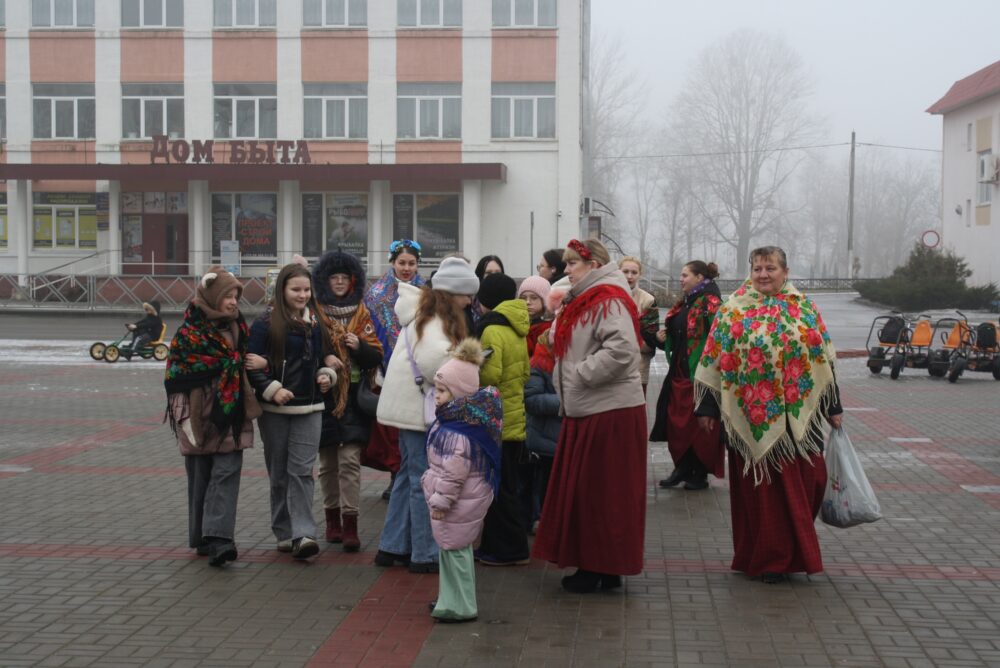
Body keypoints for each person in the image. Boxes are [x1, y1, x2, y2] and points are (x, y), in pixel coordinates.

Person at [694, 246, 843, 584]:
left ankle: (792, 553)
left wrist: (833, 406)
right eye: (757, 268)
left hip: (799, 420)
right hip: (750, 416)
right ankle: (766, 559)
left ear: (785, 271)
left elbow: (824, 360)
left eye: (770, 268)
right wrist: (707, 407)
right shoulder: (733, 310)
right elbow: (714, 359)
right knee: (760, 492)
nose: (763, 274)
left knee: (809, 482)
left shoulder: (804, 308)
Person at [532, 239, 647, 593]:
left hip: (608, 412)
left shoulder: (607, 299)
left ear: (594, 264)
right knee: (593, 494)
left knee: (603, 495)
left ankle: (600, 567)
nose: (566, 270)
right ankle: (601, 566)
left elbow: (622, 351)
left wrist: (579, 374)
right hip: (591, 409)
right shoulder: (583, 299)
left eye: (572, 264)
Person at [374, 256, 480, 574]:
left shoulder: (425, 315)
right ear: (451, 292)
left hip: (408, 409)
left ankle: (392, 546)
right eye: (465, 294)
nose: (469, 300)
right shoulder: (435, 322)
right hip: (421, 413)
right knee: (424, 482)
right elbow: (438, 367)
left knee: (409, 478)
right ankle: (424, 553)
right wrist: (470, 361)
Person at [164, 268, 260, 567]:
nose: (233, 302)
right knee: (200, 476)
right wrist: (184, 419)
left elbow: (244, 362)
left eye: (236, 296)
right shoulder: (188, 333)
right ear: (211, 296)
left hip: (230, 412)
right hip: (197, 414)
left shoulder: (240, 328)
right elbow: (175, 376)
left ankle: (220, 539)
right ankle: (203, 537)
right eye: (228, 296)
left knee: (227, 472)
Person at [247, 263, 337, 560]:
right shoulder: (264, 323)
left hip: (309, 407)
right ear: (282, 290)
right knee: (280, 474)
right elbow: (250, 365)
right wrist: (272, 387)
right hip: (275, 409)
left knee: (302, 472)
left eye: (306, 290)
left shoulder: (315, 322)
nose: (302, 295)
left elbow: (321, 360)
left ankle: (304, 534)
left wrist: (326, 376)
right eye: (295, 289)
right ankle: (284, 531)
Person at [422, 339, 503, 623]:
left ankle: (461, 605)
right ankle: (450, 600)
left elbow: (453, 474)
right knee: (454, 552)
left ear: (459, 393)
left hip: (456, 502)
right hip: (460, 501)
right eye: (437, 389)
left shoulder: (458, 431)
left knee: (455, 554)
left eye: (443, 391)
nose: (437, 396)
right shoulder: (457, 420)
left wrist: (441, 499)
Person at [313, 250, 384, 552]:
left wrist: (359, 347)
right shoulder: (314, 312)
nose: (340, 282)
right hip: (324, 396)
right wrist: (325, 357)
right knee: (328, 463)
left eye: (344, 278)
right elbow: (306, 351)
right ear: (325, 281)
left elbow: (376, 355)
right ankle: (332, 521)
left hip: (354, 399)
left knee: (350, 462)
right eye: (334, 278)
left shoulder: (363, 313)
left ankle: (351, 523)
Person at [650, 261, 725, 491]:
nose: (680, 279)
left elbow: (720, 340)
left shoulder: (711, 304)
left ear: (700, 277)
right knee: (678, 423)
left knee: (699, 427)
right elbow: (679, 335)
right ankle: (682, 467)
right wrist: (661, 339)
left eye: (685, 275)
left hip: (700, 374)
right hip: (680, 372)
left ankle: (698, 472)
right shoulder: (686, 301)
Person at [473, 272, 531, 566]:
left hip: (496, 420)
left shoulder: (492, 329)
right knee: (508, 485)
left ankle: (507, 549)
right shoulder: (517, 327)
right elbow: (524, 373)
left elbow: (489, 375)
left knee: (498, 490)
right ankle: (511, 546)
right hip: (514, 416)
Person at [364, 240, 427, 501]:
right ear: (392, 262)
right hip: (386, 370)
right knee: (391, 431)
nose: (406, 268)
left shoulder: (426, 292)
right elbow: (371, 330)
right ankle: (396, 476)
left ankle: (416, 476)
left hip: (419, 368)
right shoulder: (377, 294)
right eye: (401, 262)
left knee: (415, 425)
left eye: (411, 263)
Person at [618, 257, 659, 394]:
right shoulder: (607, 296)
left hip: (638, 367)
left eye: (634, 272)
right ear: (618, 272)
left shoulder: (647, 300)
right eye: (625, 271)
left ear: (640, 274)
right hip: (610, 368)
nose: (630, 276)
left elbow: (651, 340)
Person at [517, 275, 552, 357]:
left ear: (545, 300)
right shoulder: (516, 323)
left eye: (534, 298)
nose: (527, 302)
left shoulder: (548, 329)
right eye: (523, 298)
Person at [471, 255, 505, 328]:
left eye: (497, 272)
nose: (494, 276)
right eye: (488, 273)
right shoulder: (470, 308)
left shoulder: (509, 305)